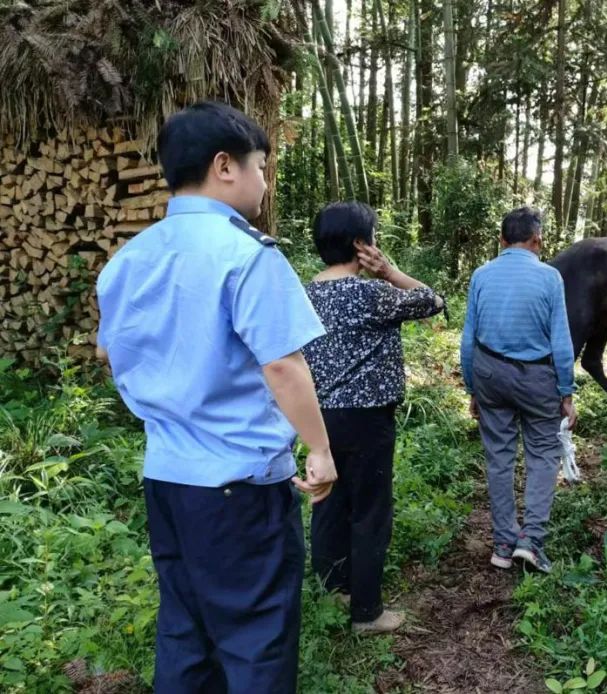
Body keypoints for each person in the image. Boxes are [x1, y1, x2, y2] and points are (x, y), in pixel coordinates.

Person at [95, 101, 336, 693]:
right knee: (255, 638)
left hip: (168, 479)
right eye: (261, 164)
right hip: (239, 486)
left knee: (185, 630)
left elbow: (107, 353)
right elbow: (282, 363)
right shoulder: (246, 255)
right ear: (224, 166)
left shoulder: (128, 261)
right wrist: (321, 450)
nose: (265, 179)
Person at [302, 202, 445, 633]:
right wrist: (389, 272)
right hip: (367, 421)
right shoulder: (372, 294)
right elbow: (433, 300)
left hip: (317, 419)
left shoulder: (301, 295)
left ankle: (333, 592)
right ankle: (367, 613)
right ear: (362, 245)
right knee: (370, 512)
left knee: (328, 504)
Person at [460, 207, 577, 574]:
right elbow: (561, 340)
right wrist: (566, 392)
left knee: (499, 455)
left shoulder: (481, 275)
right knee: (543, 453)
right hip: (537, 378)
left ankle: (503, 543)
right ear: (538, 240)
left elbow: (468, 340)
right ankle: (531, 541)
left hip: (489, 373)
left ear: (501, 241)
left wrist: (472, 387)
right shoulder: (550, 278)